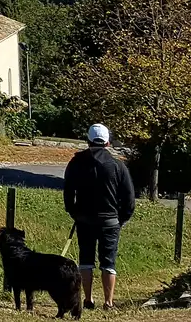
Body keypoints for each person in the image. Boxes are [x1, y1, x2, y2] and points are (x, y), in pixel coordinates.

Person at [64, 123, 137, 309]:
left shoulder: (76, 163)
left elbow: (68, 193)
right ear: (108, 143)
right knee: (108, 261)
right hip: (111, 221)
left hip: (84, 220)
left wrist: (74, 213)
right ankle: (108, 301)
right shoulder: (118, 165)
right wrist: (121, 219)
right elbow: (129, 199)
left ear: (88, 141)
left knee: (86, 261)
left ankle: (87, 299)